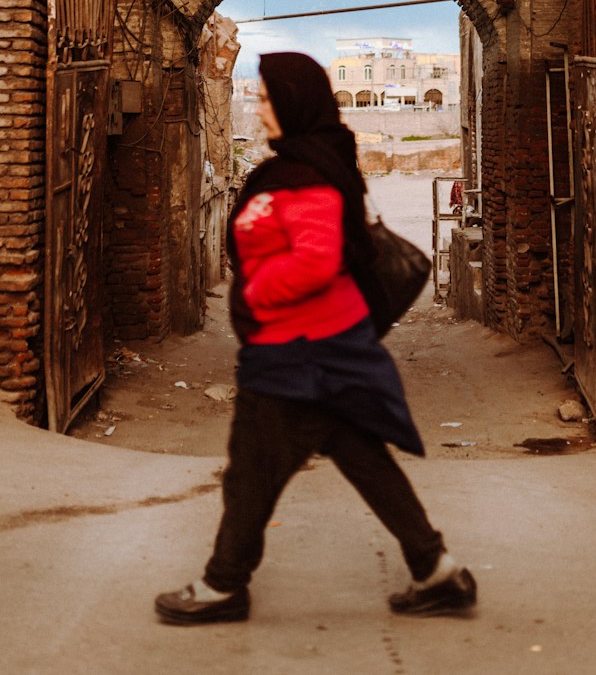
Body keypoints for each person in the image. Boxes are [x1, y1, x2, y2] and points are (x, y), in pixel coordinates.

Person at [155, 51, 476, 626]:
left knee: (251, 469)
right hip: (319, 349)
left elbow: (316, 261)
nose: (258, 107)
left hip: (301, 351)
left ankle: (223, 584)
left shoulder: (309, 175)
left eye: (266, 98)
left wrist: (252, 295)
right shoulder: (296, 164)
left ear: (294, 102)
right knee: (363, 458)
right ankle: (436, 569)